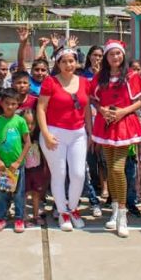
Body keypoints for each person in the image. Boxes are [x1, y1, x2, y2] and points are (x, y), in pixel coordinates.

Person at [90, 40, 141, 238]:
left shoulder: (131, 75)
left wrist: (123, 111)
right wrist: (101, 110)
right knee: (109, 167)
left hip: (124, 124)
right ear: (106, 57)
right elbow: (93, 98)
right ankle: (114, 208)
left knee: (117, 168)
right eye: (111, 54)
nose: (115, 57)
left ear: (123, 55)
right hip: (106, 124)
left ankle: (123, 214)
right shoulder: (100, 77)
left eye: (118, 54)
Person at [37, 47, 92, 232]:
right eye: (64, 61)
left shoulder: (84, 82)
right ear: (58, 63)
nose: (68, 65)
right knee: (59, 174)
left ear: (76, 62)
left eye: (72, 61)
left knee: (78, 174)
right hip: (55, 133)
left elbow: (86, 110)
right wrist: (45, 134)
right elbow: (41, 109)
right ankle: (63, 212)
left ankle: (74, 208)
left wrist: (89, 133)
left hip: (78, 134)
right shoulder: (50, 82)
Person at [0, 88, 31, 233]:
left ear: (18, 104)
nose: (10, 106)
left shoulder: (20, 121)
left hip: (16, 166)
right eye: (7, 103)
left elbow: (27, 143)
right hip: (2, 166)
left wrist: (18, 162)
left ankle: (19, 218)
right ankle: (1, 218)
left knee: (19, 194)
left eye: (14, 104)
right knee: (1, 194)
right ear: (1, 103)